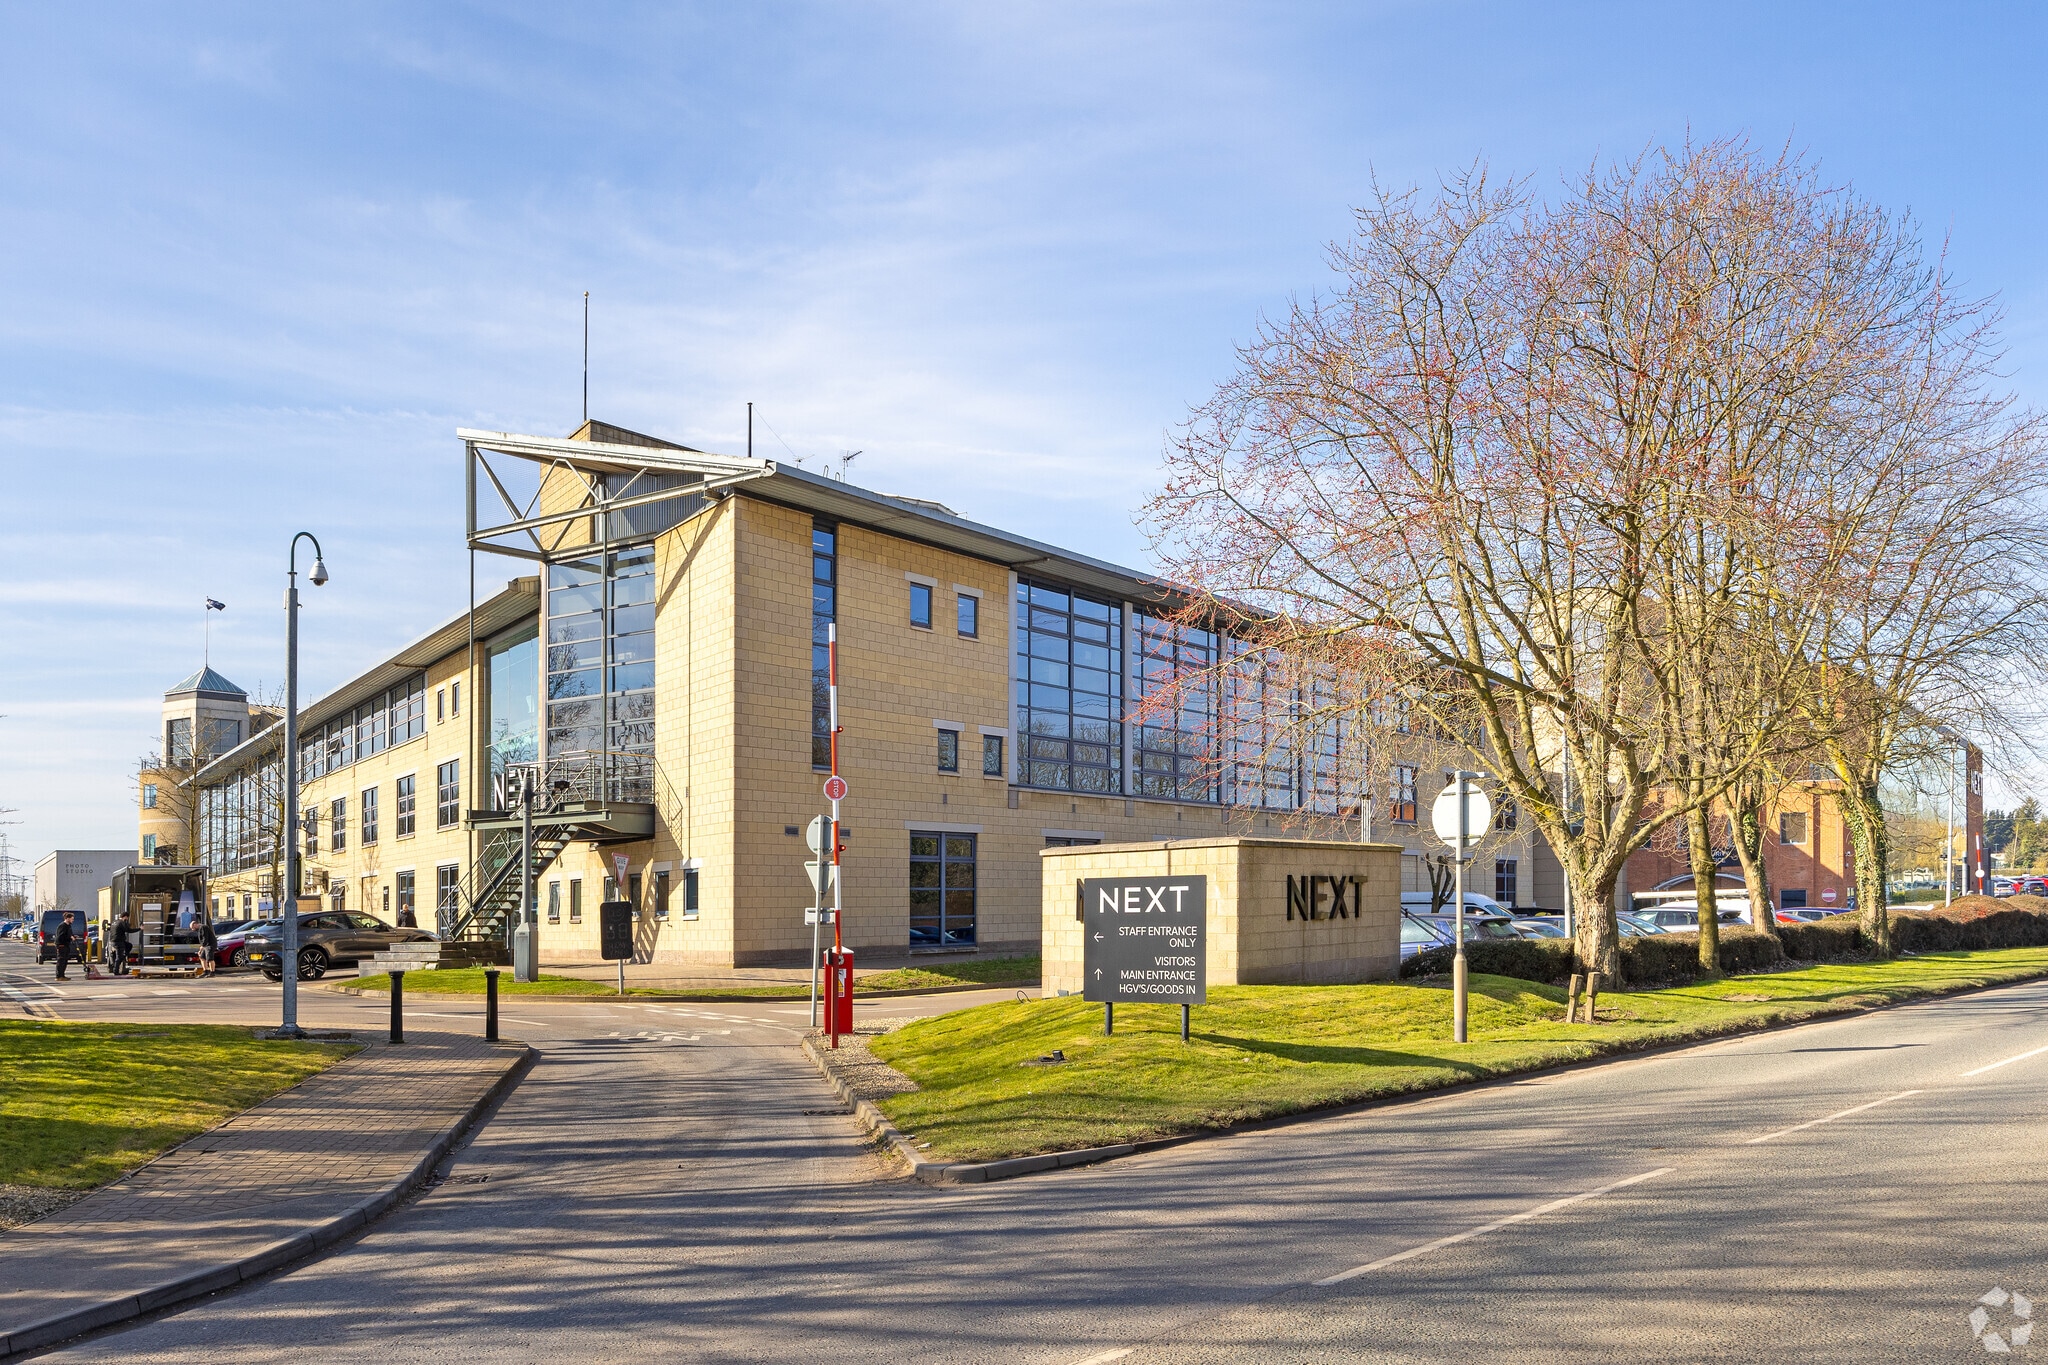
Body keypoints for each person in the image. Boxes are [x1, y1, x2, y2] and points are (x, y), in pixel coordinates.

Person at [53, 915, 74, 980]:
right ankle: (59, 976)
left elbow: (69, 934)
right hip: (61, 945)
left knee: (65, 961)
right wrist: (69, 937)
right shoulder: (62, 926)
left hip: (66, 945)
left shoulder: (68, 926)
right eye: (72, 919)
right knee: (61, 960)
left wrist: (72, 936)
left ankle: (62, 975)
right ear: (67, 918)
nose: (73, 920)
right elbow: (60, 936)